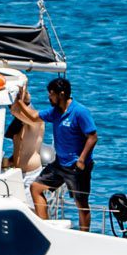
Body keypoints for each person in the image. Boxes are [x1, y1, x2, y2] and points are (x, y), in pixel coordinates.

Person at [36, 75, 97, 228]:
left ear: (61, 94)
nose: (49, 97)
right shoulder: (55, 112)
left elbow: (92, 137)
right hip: (59, 164)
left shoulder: (80, 112)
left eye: (51, 94)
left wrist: (82, 160)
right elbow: (32, 116)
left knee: (81, 203)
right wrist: (18, 103)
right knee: (36, 188)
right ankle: (47, 229)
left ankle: (84, 237)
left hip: (77, 166)